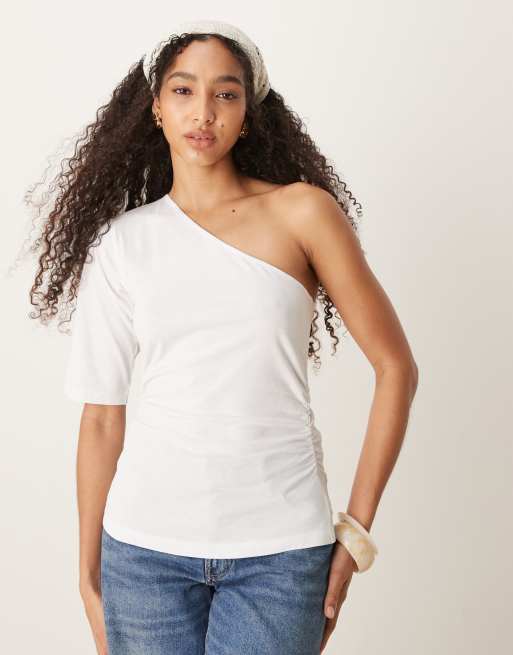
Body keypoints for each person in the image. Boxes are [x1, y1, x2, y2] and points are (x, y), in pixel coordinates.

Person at [26, 19, 418, 655]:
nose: (203, 112)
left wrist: (356, 532)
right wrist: (88, 572)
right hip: (143, 553)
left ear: (248, 113)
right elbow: (101, 416)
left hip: (281, 553)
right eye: (183, 90)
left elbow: (395, 368)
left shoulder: (303, 212)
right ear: (156, 107)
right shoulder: (124, 243)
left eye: (225, 94)